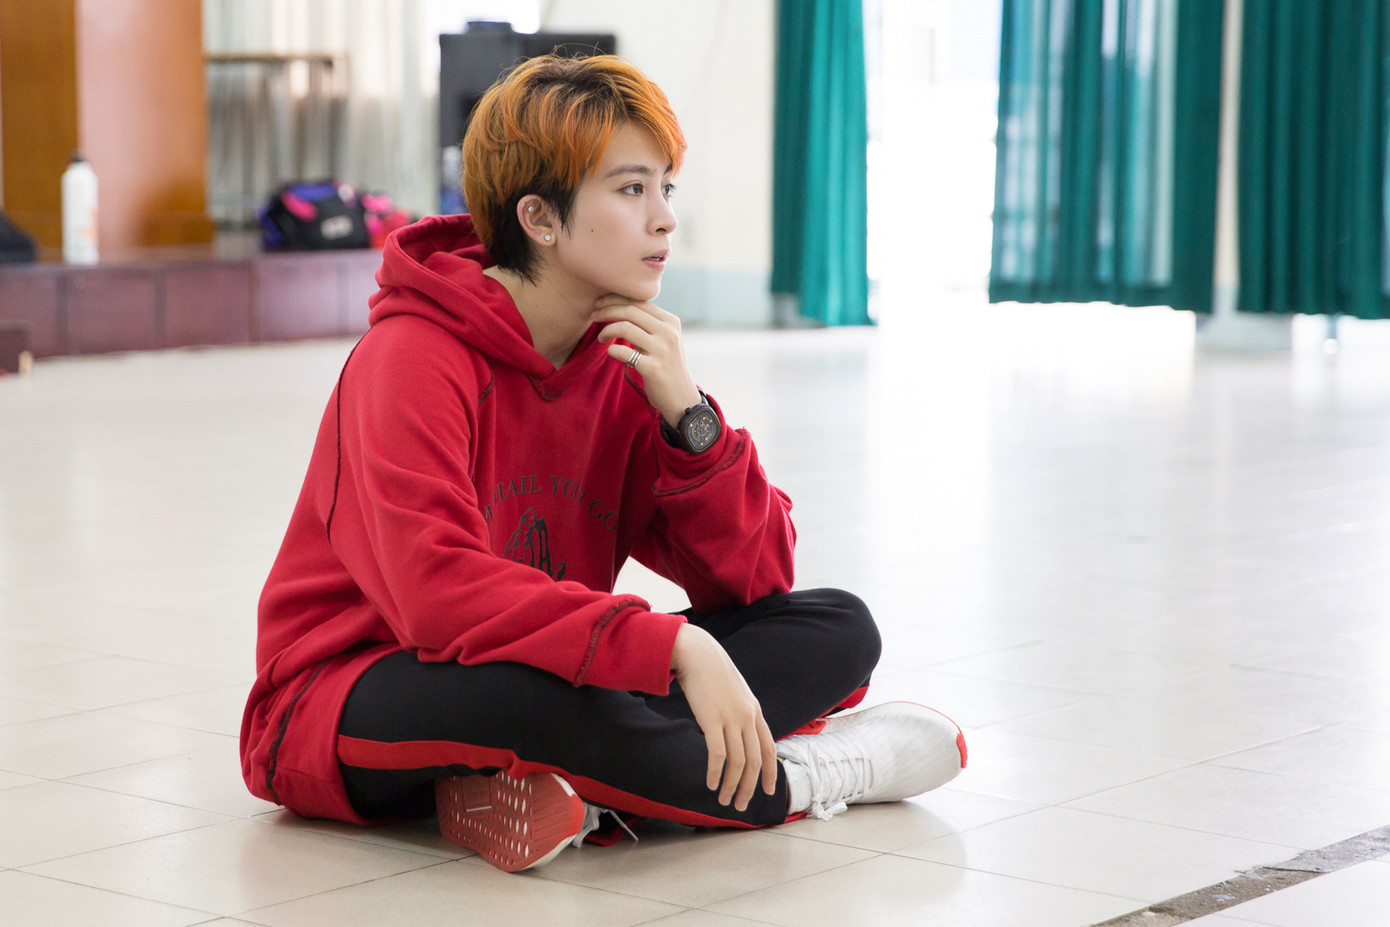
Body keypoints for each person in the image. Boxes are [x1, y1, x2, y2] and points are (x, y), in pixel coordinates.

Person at [240, 52, 966, 873]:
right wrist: (675, 648)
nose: (665, 219)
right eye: (631, 189)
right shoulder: (410, 356)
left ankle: (552, 789)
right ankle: (804, 775)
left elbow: (758, 581)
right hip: (348, 690)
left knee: (836, 626)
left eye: (666, 187)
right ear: (540, 219)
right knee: (548, 700)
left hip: (539, 664)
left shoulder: (623, 359)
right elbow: (435, 598)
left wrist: (690, 418)